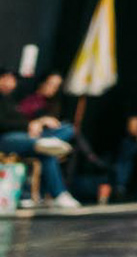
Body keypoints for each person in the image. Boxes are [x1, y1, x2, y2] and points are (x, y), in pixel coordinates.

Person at [0, 68, 81, 208]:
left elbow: (22, 121)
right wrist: (30, 125)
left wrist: (37, 124)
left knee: (64, 132)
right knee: (46, 150)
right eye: (5, 78)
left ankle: (47, 143)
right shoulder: (24, 100)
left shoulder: (10, 100)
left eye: (12, 79)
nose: (9, 83)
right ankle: (59, 193)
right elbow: (3, 124)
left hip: (28, 136)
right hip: (7, 138)